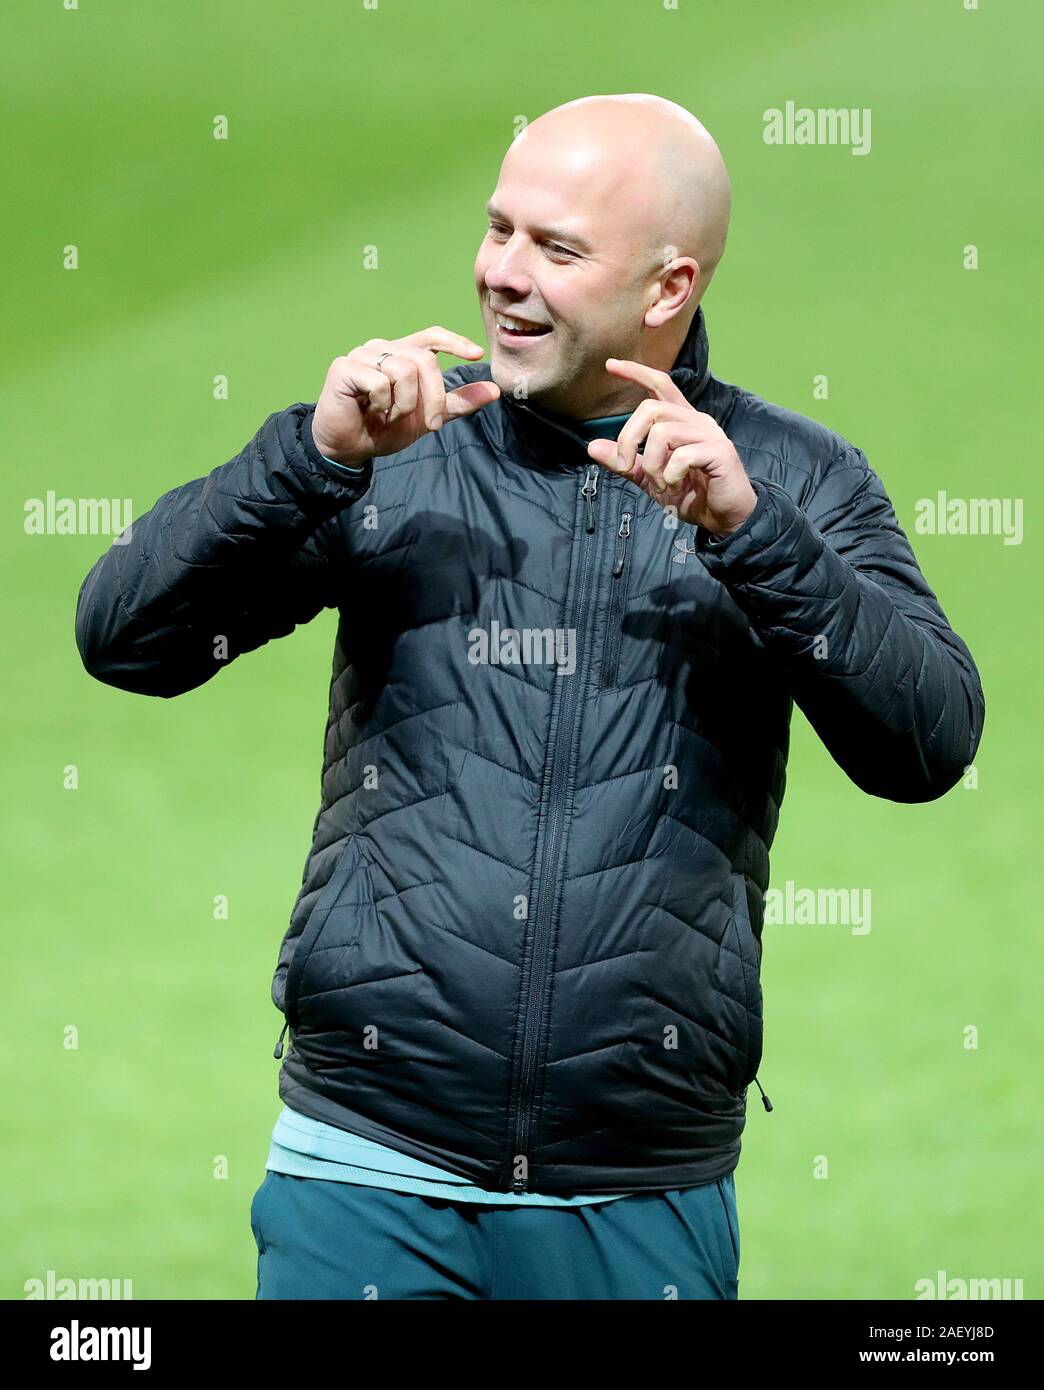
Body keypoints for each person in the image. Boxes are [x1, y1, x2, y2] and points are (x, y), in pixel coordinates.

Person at [74, 93, 985, 1300]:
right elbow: (128, 638)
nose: (501, 274)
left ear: (668, 289)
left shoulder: (790, 479)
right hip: (367, 1165)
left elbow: (928, 744)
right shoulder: (392, 447)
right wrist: (312, 459)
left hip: (637, 1189)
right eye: (498, 229)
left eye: (554, 249)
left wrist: (754, 537)